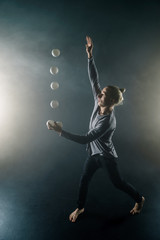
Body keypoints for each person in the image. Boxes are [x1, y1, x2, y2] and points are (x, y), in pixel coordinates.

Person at [47, 36, 145, 222]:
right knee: (84, 180)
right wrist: (90, 56)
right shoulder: (98, 101)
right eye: (101, 92)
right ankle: (80, 208)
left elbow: (86, 138)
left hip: (106, 157)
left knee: (119, 184)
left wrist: (60, 131)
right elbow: (94, 79)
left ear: (112, 101)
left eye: (104, 94)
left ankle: (139, 199)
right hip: (93, 154)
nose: (99, 94)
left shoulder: (107, 122)